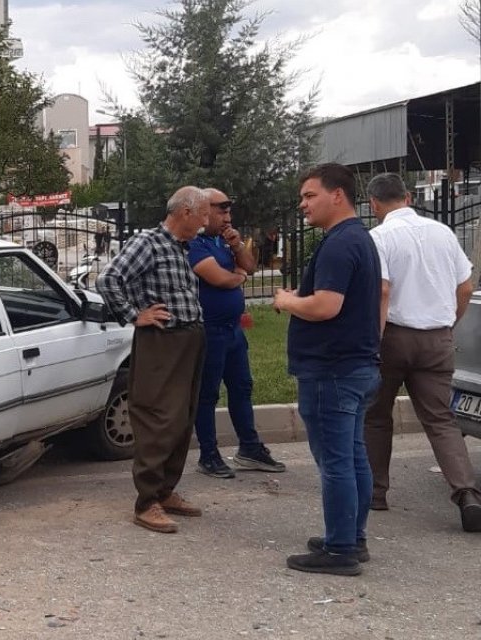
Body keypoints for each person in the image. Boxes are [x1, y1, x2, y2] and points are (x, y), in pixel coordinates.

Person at [273, 163, 381, 576]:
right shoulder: (359, 237)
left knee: (336, 462)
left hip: (333, 369)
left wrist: (286, 301)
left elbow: (325, 305)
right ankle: (353, 538)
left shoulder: (339, 243)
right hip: (356, 365)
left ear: (337, 195)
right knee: (353, 456)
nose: (303, 204)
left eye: (309, 195)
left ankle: (339, 551)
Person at [363, 172, 481, 531]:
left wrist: (374, 339)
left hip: (393, 337)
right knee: (440, 420)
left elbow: (382, 292)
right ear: (409, 198)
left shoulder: (378, 237)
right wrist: (449, 323)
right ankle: (467, 494)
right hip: (437, 338)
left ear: (373, 204)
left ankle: (376, 492)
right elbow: (465, 286)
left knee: (377, 416)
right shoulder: (442, 232)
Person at [97, 186, 209, 534]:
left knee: (183, 415)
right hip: (162, 342)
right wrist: (134, 315)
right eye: (203, 214)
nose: (206, 222)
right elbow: (109, 279)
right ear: (185, 212)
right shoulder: (148, 242)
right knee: (160, 417)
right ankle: (147, 502)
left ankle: (166, 490)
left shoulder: (178, 247)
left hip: (188, 338)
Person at [188, 188, 286, 478]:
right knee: (207, 395)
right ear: (204, 211)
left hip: (232, 332)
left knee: (242, 388)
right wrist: (238, 277)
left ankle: (250, 448)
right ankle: (208, 455)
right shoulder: (195, 243)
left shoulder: (223, 240)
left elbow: (250, 267)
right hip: (209, 332)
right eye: (221, 210)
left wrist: (237, 246)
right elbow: (219, 279)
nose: (227, 217)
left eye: (228, 211)